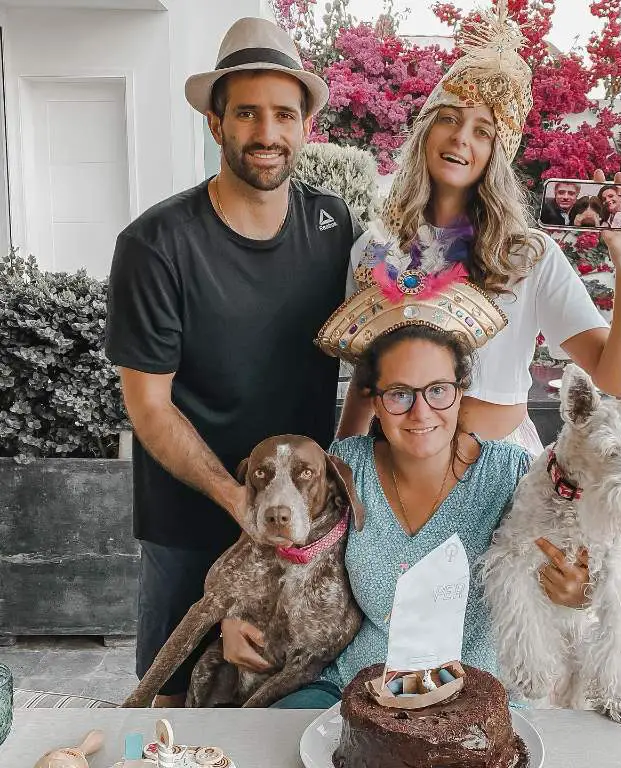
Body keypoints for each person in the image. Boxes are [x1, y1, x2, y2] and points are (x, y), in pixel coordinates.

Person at [105, 17, 360, 707]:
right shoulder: (156, 245)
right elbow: (149, 406)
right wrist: (238, 500)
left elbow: (370, 355)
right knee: (173, 706)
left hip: (302, 521)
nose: (267, 132)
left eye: (284, 114)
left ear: (306, 126)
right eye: (246, 112)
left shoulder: (333, 225)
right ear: (216, 125)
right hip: (190, 518)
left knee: (274, 706)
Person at [221, 323, 591, 709]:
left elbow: (597, 561)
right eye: (399, 394)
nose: (421, 411)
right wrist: (234, 613)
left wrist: (579, 593)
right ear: (374, 401)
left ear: (460, 392)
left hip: (482, 698)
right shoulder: (348, 468)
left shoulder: (515, 474)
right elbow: (272, 542)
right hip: (357, 688)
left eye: (437, 391)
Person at [336, 8, 621, 453]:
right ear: (426, 131)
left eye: (482, 130)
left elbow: (613, 377)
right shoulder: (373, 249)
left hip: (503, 472)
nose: (461, 137)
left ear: (496, 154)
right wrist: (344, 465)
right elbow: (366, 381)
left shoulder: (527, 254)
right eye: (448, 118)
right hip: (398, 471)